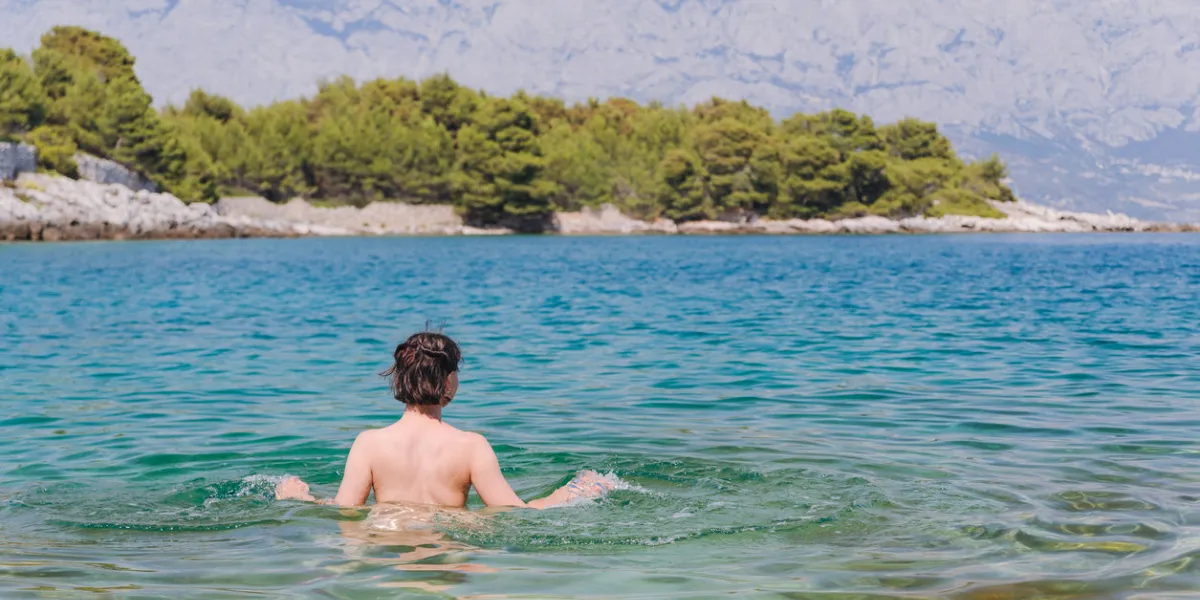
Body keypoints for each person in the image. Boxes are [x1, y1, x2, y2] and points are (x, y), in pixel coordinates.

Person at [275, 331, 614, 508]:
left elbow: (345, 510)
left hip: (385, 546)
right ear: (448, 379)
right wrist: (571, 493)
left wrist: (299, 498)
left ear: (401, 378)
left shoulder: (369, 443)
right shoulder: (471, 446)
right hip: (451, 544)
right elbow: (512, 512)